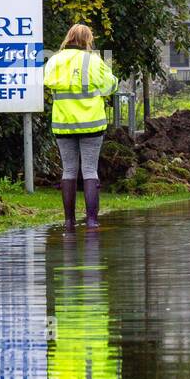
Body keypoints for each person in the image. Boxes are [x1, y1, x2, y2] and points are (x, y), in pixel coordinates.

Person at [45, 24, 117, 229]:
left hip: (64, 123)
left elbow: (47, 82)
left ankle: (69, 221)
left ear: (68, 38)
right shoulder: (93, 60)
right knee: (89, 170)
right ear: (88, 40)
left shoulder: (54, 60)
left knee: (68, 170)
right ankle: (92, 220)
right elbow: (109, 86)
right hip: (91, 123)